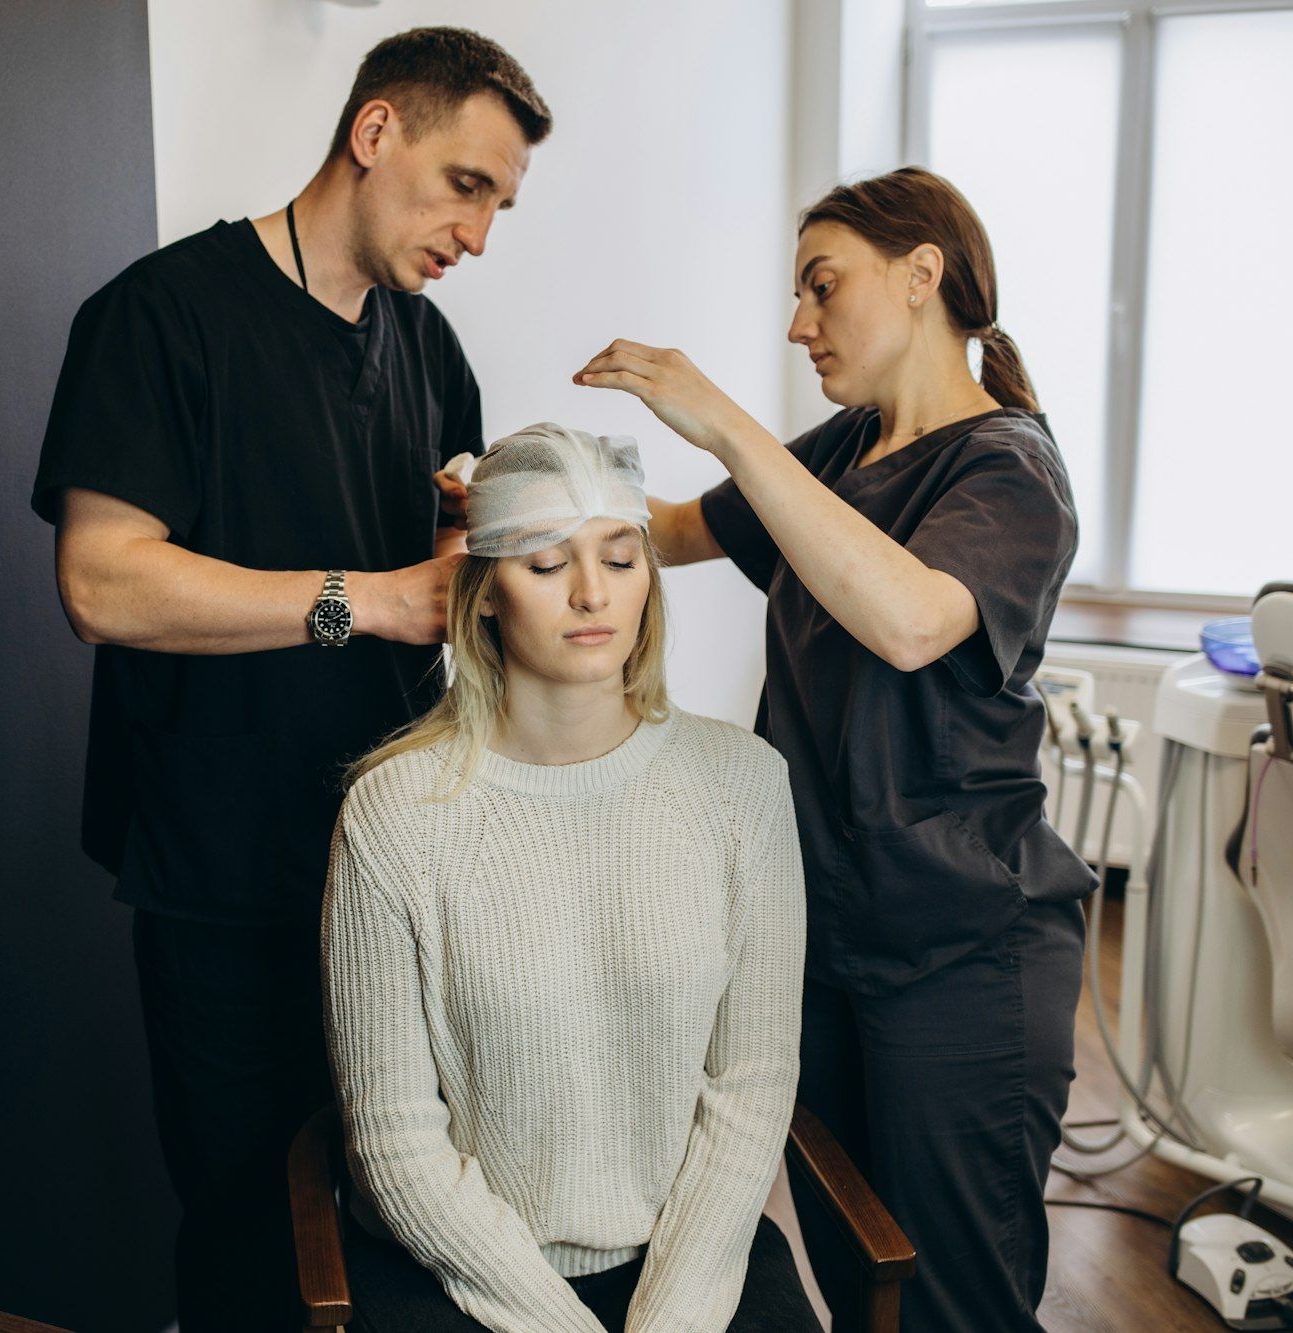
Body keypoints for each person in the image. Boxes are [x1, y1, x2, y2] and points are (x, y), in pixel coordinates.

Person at [30, 28, 550, 1331]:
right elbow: (102, 584)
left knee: (391, 1211)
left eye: (500, 203)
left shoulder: (428, 350)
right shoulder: (158, 315)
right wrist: (374, 599)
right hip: (218, 872)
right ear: (375, 133)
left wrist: (467, 542)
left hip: (390, 864)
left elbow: (446, 552)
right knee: (248, 1226)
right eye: (466, 185)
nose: (478, 234)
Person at [572, 166, 1097, 1331]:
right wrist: (521, 502)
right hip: (827, 934)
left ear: (924, 276)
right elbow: (664, 533)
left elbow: (908, 618)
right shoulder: (847, 448)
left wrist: (723, 418)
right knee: (863, 1271)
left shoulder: (1008, 470)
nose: (799, 323)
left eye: (822, 286)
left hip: (964, 955)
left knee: (958, 1300)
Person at [323, 422, 816, 1333]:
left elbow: (751, 1082)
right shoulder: (391, 816)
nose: (592, 593)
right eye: (547, 565)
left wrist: (670, 1314)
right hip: (457, 1268)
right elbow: (393, 1140)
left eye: (621, 558)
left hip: (684, 1262)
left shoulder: (743, 784)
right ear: (481, 594)